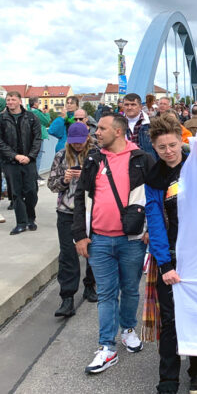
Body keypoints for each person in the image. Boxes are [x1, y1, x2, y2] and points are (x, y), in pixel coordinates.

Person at [73, 113, 154, 373]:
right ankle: (106, 346)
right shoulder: (94, 159)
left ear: (118, 132)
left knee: (130, 289)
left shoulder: (142, 159)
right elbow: (80, 198)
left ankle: (128, 328)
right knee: (106, 293)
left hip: (131, 240)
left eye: (102, 129)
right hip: (98, 239)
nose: (97, 133)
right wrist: (80, 235)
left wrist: (151, 229)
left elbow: (154, 197)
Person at [145, 113, 197, 393]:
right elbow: (155, 221)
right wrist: (165, 264)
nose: (169, 152)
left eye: (172, 145)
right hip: (171, 256)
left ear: (180, 141)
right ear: (154, 148)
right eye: (162, 147)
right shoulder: (154, 178)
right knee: (170, 321)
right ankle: (168, 380)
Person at [47, 122, 97, 317]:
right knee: (68, 255)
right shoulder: (60, 156)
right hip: (66, 211)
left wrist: (85, 174)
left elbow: (105, 183)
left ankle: (90, 285)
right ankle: (67, 298)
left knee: (93, 250)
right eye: (74, 142)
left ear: (87, 138)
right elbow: (52, 185)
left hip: (91, 210)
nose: (78, 145)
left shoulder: (96, 154)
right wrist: (65, 180)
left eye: (81, 142)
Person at [0, 91, 42, 235]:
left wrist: (30, 156)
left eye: (12, 99)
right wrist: (15, 156)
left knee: (31, 191)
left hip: (28, 161)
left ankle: (31, 218)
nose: (9, 102)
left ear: (19, 101)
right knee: (16, 193)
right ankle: (21, 222)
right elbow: (1, 142)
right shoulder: (2, 119)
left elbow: (37, 139)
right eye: (8, 100)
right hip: (10, 162)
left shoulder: (31, 118)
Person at [28, 97, 51, 182]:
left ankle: (33, 174)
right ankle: (35, 175)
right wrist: (47, 113)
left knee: (32, 155)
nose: (39, 104)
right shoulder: (36, 112)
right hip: (39, 136)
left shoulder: (28, 111)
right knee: (38, 156)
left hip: (30, 136)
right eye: (38, 102)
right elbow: (46, 121)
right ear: (34, 103)